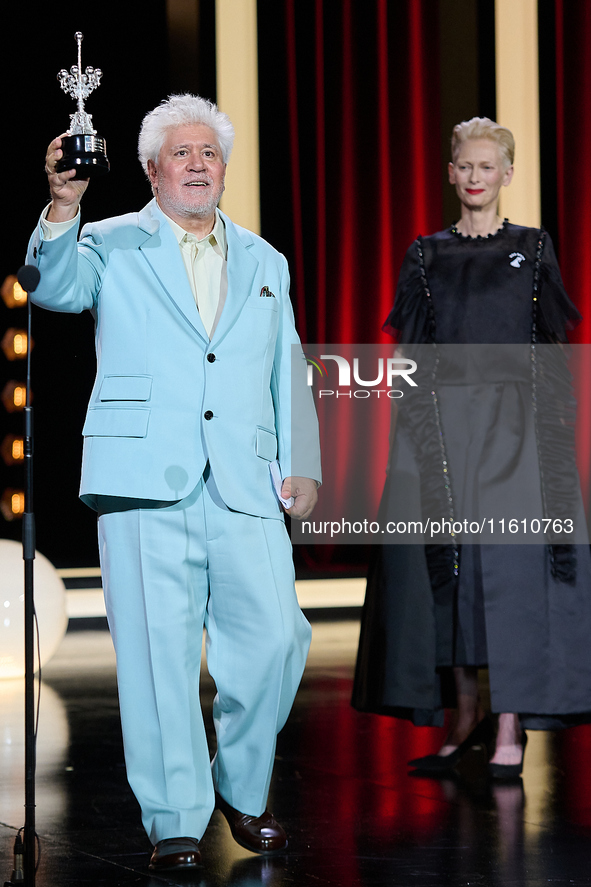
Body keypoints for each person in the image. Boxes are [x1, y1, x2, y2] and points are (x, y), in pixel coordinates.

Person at [27, 94, 321, 873]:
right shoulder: (110, 241)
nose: (197, 164)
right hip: (140, 479)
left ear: (224, 168)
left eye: (208, 153)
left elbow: (285, 366)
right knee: (157, 661)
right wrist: (62, 204)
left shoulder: (265, 259)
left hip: (244, 482)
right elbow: (53, 289)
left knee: (278, 642)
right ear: (153, 169)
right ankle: (175, 816)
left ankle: (241, 784)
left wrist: (302, 462)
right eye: (180, 154)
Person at [352, 117, 591, 778]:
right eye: (466, 166)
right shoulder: (425, 254)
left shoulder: (533, 247)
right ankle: (464, 715)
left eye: (489, 166)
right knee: (448, 568)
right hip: (443, 422)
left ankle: (509, 722)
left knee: (509, 568)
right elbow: (414, 351)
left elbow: (547, 351)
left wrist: (550, 440)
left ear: (506, 174)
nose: (477, 177)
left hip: (514, 421)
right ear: (450, 172)